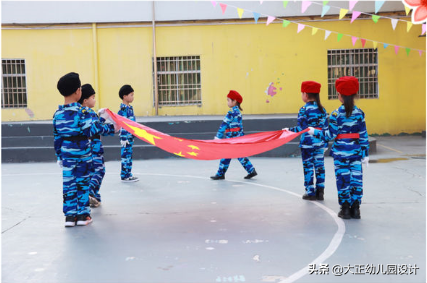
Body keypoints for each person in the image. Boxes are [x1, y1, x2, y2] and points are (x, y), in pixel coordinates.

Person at [53, 72, 117, 227]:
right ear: (77, 91)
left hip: (67, 155)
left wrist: (59, 156)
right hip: (83, 154)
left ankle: (70, 217)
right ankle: (83, 216)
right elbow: (94, 130)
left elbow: (57, 138)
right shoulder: (83, 112)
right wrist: (113, 128)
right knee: (82, 183)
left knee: (69, 185)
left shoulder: (57, 114)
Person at [307, 76, 369, 219]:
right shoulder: (360, 113)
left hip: (341, 154)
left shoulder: (336, 114)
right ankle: (356, 209)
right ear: (354, 95)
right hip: (356, 153)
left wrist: (313, 131)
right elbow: (363, 135)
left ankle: (345, 209)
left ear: (340, 95)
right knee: (356, 180)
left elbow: (329, 135)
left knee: (343, 179)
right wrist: (365, 154)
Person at [284, 81, 328, 201]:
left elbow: (301, 128)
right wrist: (325, 143)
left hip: (307, 144)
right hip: (320, 142)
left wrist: (289, 130)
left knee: (308, 166)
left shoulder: (304, 109)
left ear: (306, 95)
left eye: (302, 93)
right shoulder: (323, 110)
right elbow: (325, 128)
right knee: (320, 166)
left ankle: (310, 191)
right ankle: (320, 191)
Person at [78, 84, 115, 208]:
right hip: (94, 147)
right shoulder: (90, 113)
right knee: (99, 170)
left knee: (90, 172)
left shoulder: (80, 113)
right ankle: (90, 192)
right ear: (85, 100)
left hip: (85, 148)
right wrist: (112, 126)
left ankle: (94, 196)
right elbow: (98, 129)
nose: (94, 100)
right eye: (93, 97)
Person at [210, 90, 258, 180]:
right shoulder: (239, 113)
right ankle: (251, 170)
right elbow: (240, 126)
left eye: (228, 100)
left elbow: (223, 125)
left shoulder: (231, 112)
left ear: (234, 101)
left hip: (231, 139)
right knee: (239, 155)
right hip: (238, 138)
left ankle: (220, 174)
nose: (227, 102)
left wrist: (218, 137)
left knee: (226, 155)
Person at [118, 84, 139, 182]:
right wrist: (123, 138)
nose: (133, 97)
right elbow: (122, 124)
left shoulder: (130, 108)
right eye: (131, 95)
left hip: (130, 136)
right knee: (125, 157)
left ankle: (128, 174)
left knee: (129, 156)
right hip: (125, 138)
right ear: (124, 96)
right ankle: (124, 175)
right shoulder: (123, 110)